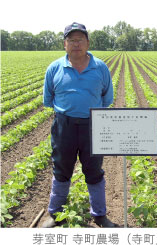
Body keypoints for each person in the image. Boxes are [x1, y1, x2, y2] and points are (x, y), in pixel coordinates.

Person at [42, 22, 115, 228]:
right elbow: (48, 99)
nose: (76, 44)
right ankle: (55, 213)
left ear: (88, 43)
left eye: (80, 39)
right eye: (71, 40)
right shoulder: (55, 68)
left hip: (93, 125)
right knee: (61, 169)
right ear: (65, 44)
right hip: (64, 126)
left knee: (94, 171)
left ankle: (99, 214)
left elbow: (106, 98)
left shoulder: (100, 68)